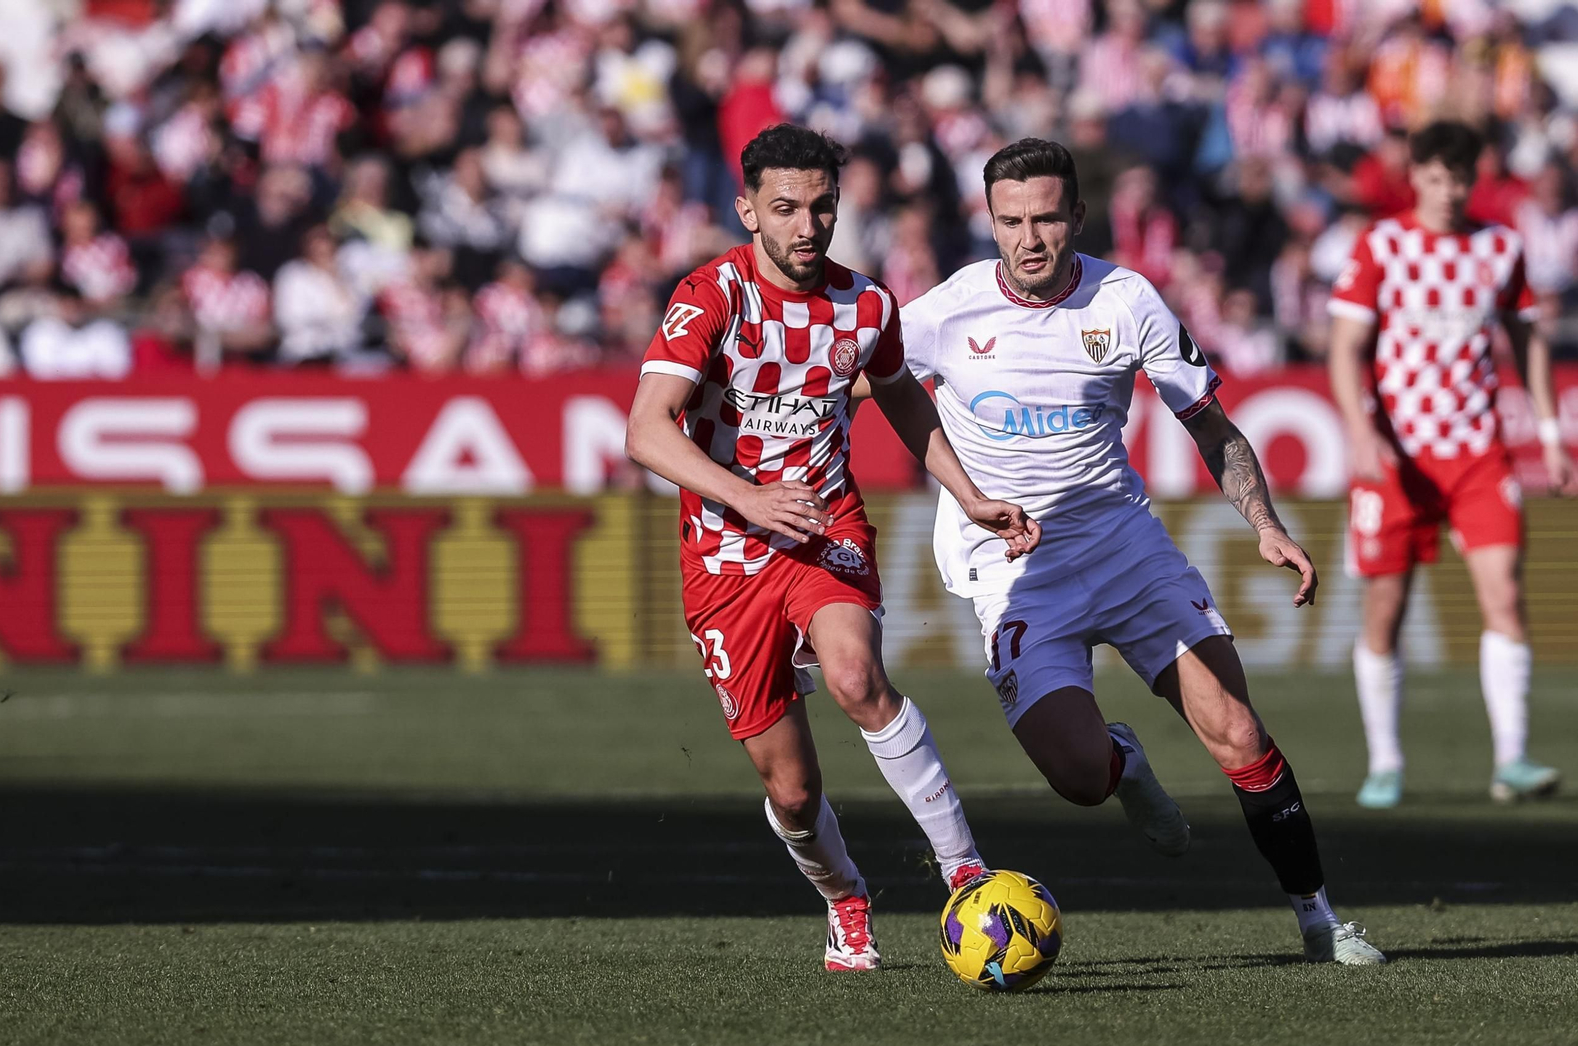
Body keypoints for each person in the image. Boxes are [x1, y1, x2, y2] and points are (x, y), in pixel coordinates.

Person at [883, 138, 1385, 965]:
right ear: (990, 221)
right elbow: (865, 383)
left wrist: (1264, 523)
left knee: (1238, 732)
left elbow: (1211, 427)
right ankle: (1125, 762)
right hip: (1013, 569)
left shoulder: (1128, 300)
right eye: (1011, 220)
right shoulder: (946, 311)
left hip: (1123, 547)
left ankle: (1321, 919)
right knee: (1080, 777)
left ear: (1079, 215)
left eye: (1047, 217)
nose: (1030, 238)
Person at [624, 124, 1040, 972]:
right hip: (725, 555)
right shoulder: (711, 297)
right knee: (793, 789)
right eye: (785, 208)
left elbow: (903, 404)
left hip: (823, 527)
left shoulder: (867, 305)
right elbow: (643, 431)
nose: (806, 226)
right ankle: (845, 897)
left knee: (856, 677)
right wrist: (748, 498)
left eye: (821, 206)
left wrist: (969, 495)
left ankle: (965, 870)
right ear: (748, 211)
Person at [1327, 121, 1575, 810]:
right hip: (1396, 453)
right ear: (1416, 176)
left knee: (1507, 597)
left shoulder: (1500, 248)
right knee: (1386, 608)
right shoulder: (1382, 244)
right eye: (1434, 177)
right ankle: (1385, 762)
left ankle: (1514, 758)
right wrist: (1357, 428)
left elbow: (1529, 343)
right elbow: (1346, 345)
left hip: (1477, 453)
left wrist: (1550, 437)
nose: (1446, 191)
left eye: (1458, 178)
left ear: (1475, 178)